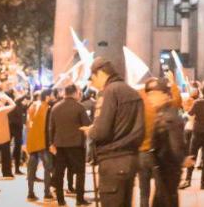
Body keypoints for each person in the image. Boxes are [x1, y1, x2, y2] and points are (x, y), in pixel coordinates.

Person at [88, 58, 146, 207]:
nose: (93, 83)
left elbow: (101, 132)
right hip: (130, 160)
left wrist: (90, 131)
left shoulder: (108, 92)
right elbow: (141, 130)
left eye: (93, 78)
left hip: (112, 160)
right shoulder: (133, 93)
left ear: (100, 73)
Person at [144, 79, 186, 207]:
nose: (150, 97)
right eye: (149, 94)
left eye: (154, 94)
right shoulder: (164, 113)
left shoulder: (168, 117)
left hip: (167, 172)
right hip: (164, 172)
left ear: (165, 95)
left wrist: (182, 160)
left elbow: (176, 148)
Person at [49, 83, 90, 207]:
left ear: (65, 93)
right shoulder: (79, 107)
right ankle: (79, 199)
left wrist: (51, 143)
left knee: (59, 173)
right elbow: (87, 126)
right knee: (80, 173)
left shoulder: (55, 107)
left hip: (59, 145)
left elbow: (51, 128)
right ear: (75, 93)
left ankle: (61, 201)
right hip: (76, 145)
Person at [25, 90, 53, 202]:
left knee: (31, 170)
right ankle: (47, 193)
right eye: (51, 95)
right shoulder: (47, 108)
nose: (52, 97)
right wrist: (51, 143)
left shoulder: (32, 106)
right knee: (48, 168)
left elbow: (27, 123)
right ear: (47, 97)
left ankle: (30, 193)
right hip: (43, 142)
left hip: (31, 141)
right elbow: (49, 127)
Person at [0, 92, 18, 178]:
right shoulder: (1, 110)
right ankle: (6, 172)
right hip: (3, 136)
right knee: (6, 156)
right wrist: (8, 98)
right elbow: (14, 105)